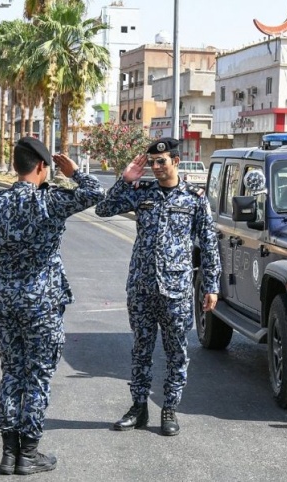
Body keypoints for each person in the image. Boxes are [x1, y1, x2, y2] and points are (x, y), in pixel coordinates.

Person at [0, 136, 105, 475]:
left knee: (11, 375)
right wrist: (75, 172)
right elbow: (96, 194)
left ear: (17, 166)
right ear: (43, 166)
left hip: (5, 303)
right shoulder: (50, 201)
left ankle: (7, 454)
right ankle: (29, 454)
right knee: (38, 377)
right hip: (42, 305)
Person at [95, 137, 221, 436]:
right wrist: (126, 180)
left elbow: (208, 243)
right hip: (141, 286)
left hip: (176, 288)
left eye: (161, 162)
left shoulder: (194, 198)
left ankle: (169, 409)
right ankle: (138, 407)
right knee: (141, 349)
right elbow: (103, 209)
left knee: (177, 351)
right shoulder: (142, 192)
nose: (155, 167)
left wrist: (211, 285)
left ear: (175, 161)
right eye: (152, 162)